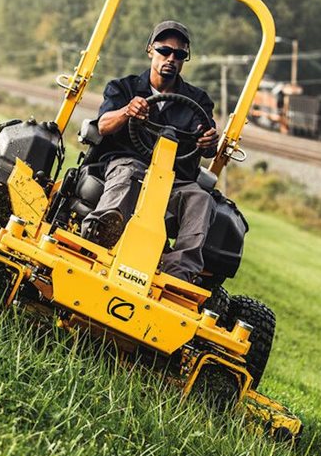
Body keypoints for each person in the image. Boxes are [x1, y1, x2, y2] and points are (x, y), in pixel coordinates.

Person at [81, 21, 219, 283]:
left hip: (174, 180)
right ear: (150, 50)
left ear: (184, 60)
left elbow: (208, 142)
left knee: (201, 198)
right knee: (131, 173)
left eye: (179, 55)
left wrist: (208, 141)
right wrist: (127, 111)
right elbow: (103, 125)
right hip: (127, 164)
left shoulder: (197, 100)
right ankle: (100, 235)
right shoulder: (124, 88)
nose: (171, 59)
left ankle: (178, 275)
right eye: (164, 51)